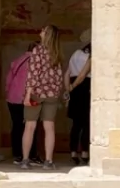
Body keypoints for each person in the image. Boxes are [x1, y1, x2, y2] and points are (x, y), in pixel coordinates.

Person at [21, 25, 65, 170]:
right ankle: (48, 161)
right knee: (49, 127)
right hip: (52, 94)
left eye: (43, 31)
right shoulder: (58, 53)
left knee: (30, 126)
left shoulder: (37, 50)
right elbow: (59, 75)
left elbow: (33, 73)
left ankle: (25, 160)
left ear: (47, 35)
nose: (40, 32)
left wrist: (28, 94)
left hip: (37, 93)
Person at [5, 42, 38, 165]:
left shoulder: (17, 61)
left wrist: (9, 94)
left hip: (13, 98)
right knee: (31, 126)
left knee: (17, 126)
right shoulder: (35, 62)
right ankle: (31, 155)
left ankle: (17, 155)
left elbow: (8, 81)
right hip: (28, 99)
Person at [66, 30, 92, 166]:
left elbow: (67, 73)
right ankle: (85, 152)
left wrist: (68, 89)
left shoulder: (75, 54)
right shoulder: (91, 55)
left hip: (74, 89)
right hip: (85, 87)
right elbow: (83, 75)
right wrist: (74, 85)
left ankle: (73, 152)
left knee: (76, 123)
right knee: (86, 122)